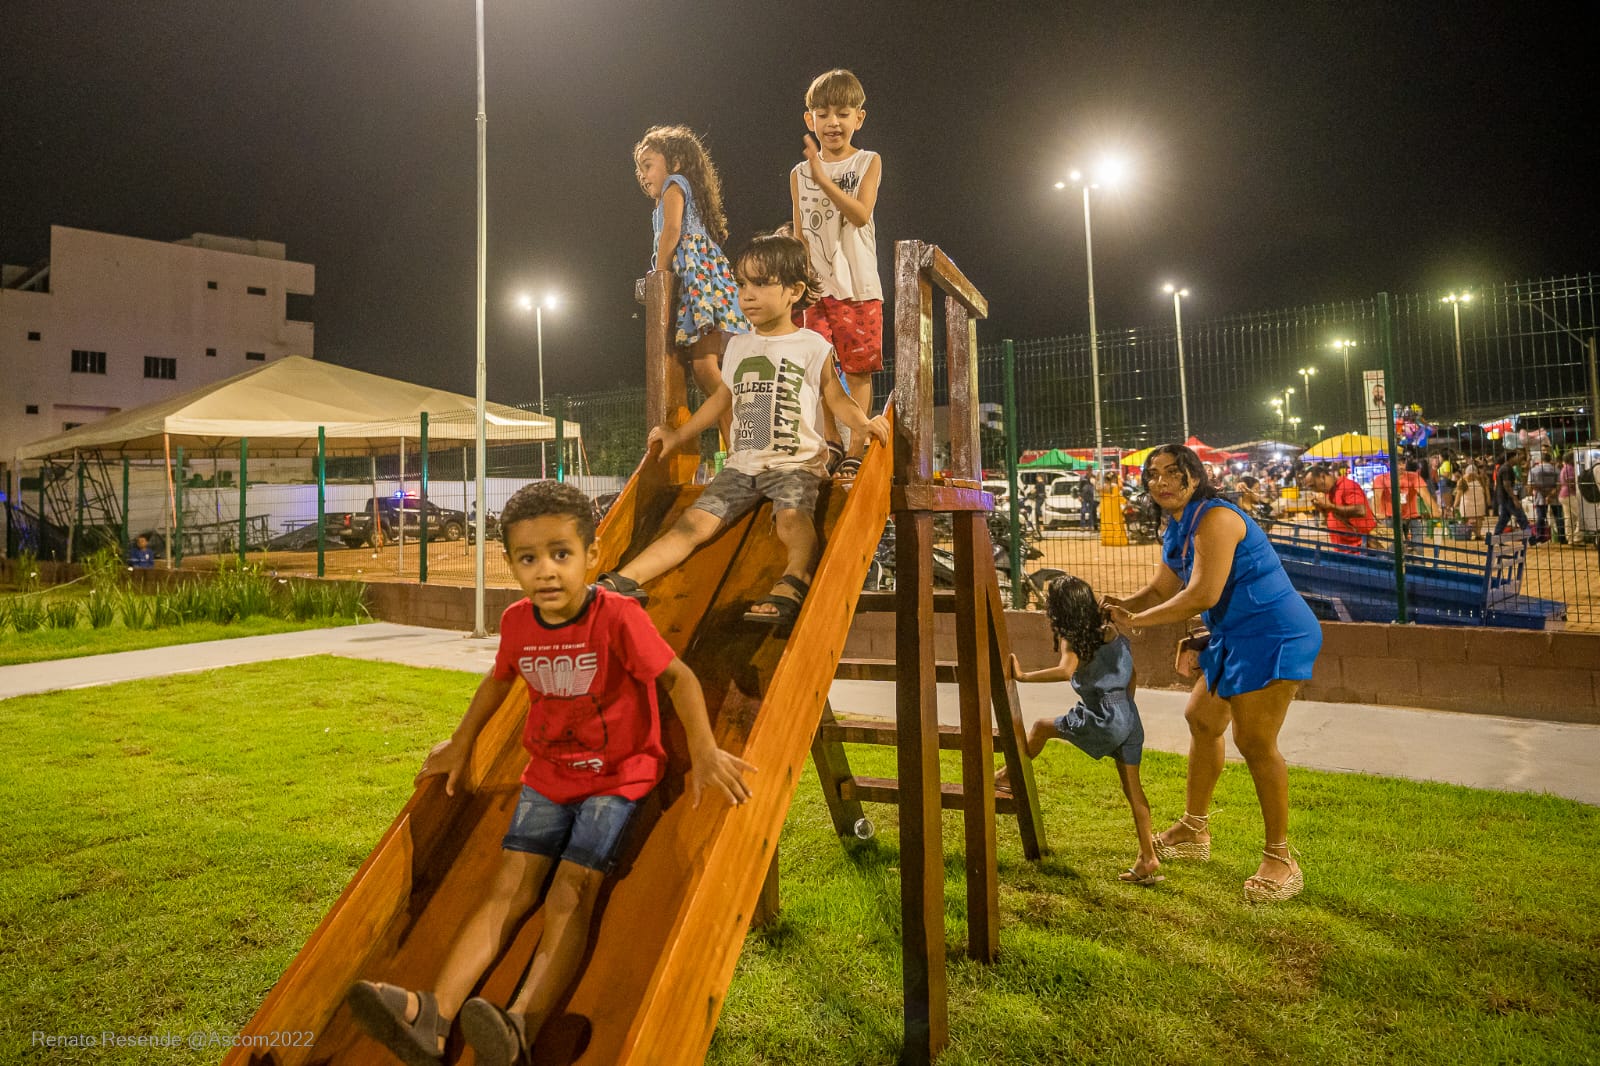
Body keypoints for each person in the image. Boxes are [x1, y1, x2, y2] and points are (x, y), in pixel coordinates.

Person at [345, 482, 755, 1065]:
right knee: (506, 890)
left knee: (569, 891)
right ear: (510, 565)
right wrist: (463, 741)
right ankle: (432, 1018)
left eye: (561, 553)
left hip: (619, 777)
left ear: (591, 556)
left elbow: (679, 679)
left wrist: (705, 750)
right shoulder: (518, 622)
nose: (546, 570)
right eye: (528, 558)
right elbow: (498, 680)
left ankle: (521, 1027)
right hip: (549, 775)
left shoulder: (618, 617)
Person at [597, 234, 890, 626]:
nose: (747, 295)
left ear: (794, 291)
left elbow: (836, 398)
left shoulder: (812, 345)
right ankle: (626, 579)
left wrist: (864, 424)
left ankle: (795, 577)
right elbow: (721, 400)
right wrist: (677, 435)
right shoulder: (737, 346)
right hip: (742, 467)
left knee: (791, 518)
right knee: (693, 523)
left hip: (794, 464)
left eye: (761, 283)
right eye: (741, 284)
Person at [1105, 445, 1323, 904]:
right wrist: (1121, 607)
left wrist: (1137, 624)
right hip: (1235, 635)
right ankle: (1194, 829)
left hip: (1274, 634)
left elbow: (1203, 594)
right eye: (1152, 475)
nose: (1161, 482)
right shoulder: (1178, 525)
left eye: (1172, 472)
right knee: (1202, 719)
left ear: (1194, 476)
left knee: (1255, 741)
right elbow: (1163, 588)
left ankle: (1281, 859)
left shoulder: (1217, 519)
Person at [997, 575, 1161, 885]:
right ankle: (1148, 856)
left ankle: (1007, 776)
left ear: (1060, 608)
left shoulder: (1072, 636)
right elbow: (1133, 676)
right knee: (1133, 790)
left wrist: (1023, 676)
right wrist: (1124, 715)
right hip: (1128, 714)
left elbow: (1065, 671)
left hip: (1102, 716)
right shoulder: (1110, 631)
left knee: (1042, 727)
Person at [790, 68, 883, 480]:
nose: (833, 123)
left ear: (858, 118)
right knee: (822, 367)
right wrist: (797, 284)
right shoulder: (798, 174)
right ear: (810, 119)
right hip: (816, 289)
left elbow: (860, 215)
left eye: (843, 114)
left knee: (858, 368)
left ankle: (856, 448)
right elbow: (799, 233)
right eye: (823, 114)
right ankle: (830, 442)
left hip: (859, 285)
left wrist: (823, 179)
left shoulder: (868, 161)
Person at [634, 125, 750, 445]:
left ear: (674, 162)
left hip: (701, 283)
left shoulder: (675, 184)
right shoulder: (666, 197)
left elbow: (672, 231)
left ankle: (749, 412)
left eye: (648, 165)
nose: (643, 175)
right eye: (639, 169)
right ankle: (733, 451)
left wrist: (658, 275)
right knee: (705, 374)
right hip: (697, 285)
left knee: (704, 369)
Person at [1304, 462, 1375, 551]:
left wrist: (1330, 506)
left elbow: (1361, 510)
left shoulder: (1347, 485)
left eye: (1313, 485)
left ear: (1322, 476)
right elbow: (1334, 515)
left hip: (1359, 548)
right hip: (1344, 549)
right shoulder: (1329, 492)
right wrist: (1322, 509)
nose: (1314, 490)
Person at [1371, 459, 1437, 548]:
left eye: (1402, 463)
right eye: (1397, 463)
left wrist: (1435, 510)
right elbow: (1377, 497)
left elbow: (1425, 494)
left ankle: (1417, 558)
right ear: (1389, 464)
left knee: (1418, 547)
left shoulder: (1414, 477)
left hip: (1412, 516)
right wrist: (1376, 513)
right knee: (1392, 548)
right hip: (1390, 517)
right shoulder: (1381, 479)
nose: (1400, 467)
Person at [1492, 450, 1531, 536]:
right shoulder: (1507, 468)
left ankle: (1496, 536)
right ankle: (1531, 537)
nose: (1520, 459)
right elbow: (1507, 485)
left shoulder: (1505, 467)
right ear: (1512, 457)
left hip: (1503, 497)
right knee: (1521, 516)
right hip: (1507, 498)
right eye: (1518, 456)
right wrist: (1514, 499)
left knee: (1504, 518)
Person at [1527, 451, 1560, 544]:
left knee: (1541, 517)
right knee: (1558, 517)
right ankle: (1561, 537)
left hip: (1539, 497)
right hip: (1554, 497)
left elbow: (1531, 485)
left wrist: (1542, 492)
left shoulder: (1533, 470)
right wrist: (1550, 494)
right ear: (1550, 460)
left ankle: (1539, 536)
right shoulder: (1556, 470)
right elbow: (1558, 485)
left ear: (1541, 460)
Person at [1555, 451, 1576, 545]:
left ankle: (1570, 538)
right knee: (1580, 515)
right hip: (1569, 494)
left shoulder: (1564, 468)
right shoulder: (1570, 468)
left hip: (1562, 495)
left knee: (1568, 517)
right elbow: (1571, 482)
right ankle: (1577, 536)